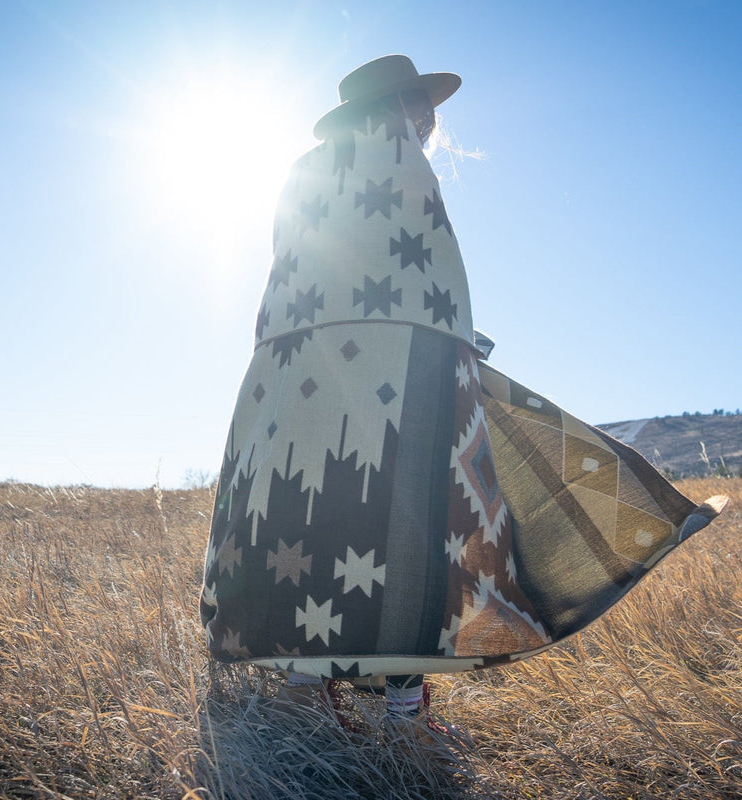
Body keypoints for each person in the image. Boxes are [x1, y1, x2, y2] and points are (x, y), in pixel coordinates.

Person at [200, 55, 726, 731]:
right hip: (401, 372)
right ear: (396, 110)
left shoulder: (302, 176)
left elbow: (296, 282)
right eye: (420, 109)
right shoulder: (397, 160)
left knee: (310, 518)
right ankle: (401, 709)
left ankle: (308, 692)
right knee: (413, 528)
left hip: (291, 378)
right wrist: (447, 340)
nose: (428, 123)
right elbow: (425, 271)